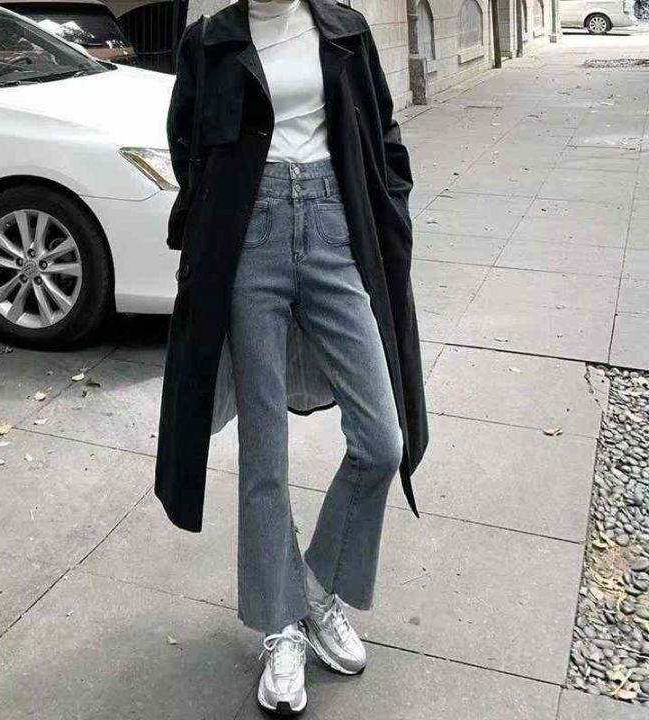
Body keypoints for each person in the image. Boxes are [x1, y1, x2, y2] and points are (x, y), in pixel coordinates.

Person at [155, 0, 429, 715]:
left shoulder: (345, 29)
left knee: (383, 440)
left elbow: (382, 130)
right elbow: (186, 145)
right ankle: (281, 624)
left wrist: (394, 206)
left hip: (337, 227)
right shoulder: (211, 41)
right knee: (264, 453)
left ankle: (312, 589)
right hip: (251, 239)